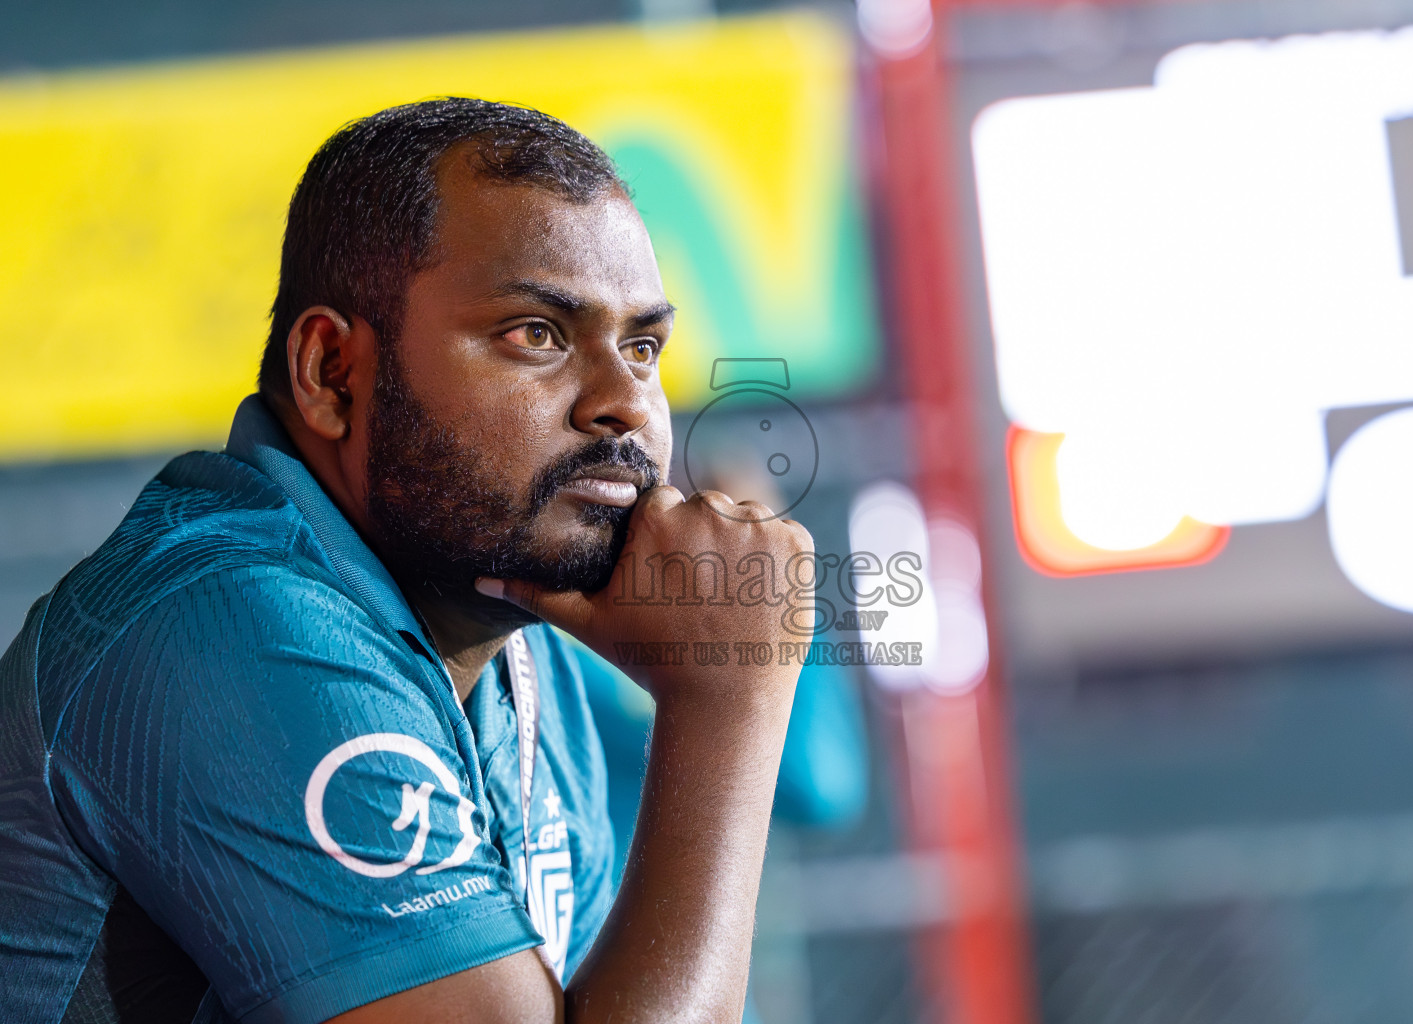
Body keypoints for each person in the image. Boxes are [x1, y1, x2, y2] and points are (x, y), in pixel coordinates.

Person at [0, 98, 814, 1024]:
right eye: (537, 334)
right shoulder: (227, 623)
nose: (625, 403)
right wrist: (728, 699)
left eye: (642, 346)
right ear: (332, 372)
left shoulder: (522, 658)